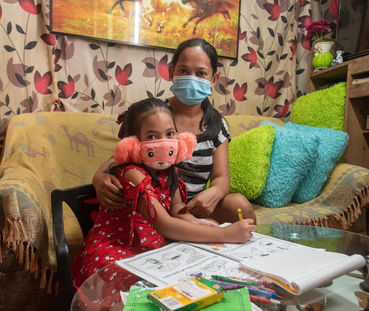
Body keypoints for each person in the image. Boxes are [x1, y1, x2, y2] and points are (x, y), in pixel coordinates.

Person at [72, 98, 257, 290]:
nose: (163, 143)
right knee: (129, 292)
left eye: (169, 134)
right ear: (133, 144)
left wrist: (196, 221)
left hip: (150, 243)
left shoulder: (168, 170)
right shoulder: (132, 174)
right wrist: (224, 234)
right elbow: (165, 224)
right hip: (118, 247)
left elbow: (176, 208)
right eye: (152, 137)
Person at [93, 38, 256, 224]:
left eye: (201, 73)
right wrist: (99, 178)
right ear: (171, 72)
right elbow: (122, 156)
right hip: (152, 206)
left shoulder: (217, 125)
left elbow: (221, 177)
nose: (192, 78)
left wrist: (214, 193)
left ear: (214, 79)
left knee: (239, 205)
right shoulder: (152, 114)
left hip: (193, 209)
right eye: (183, 71)